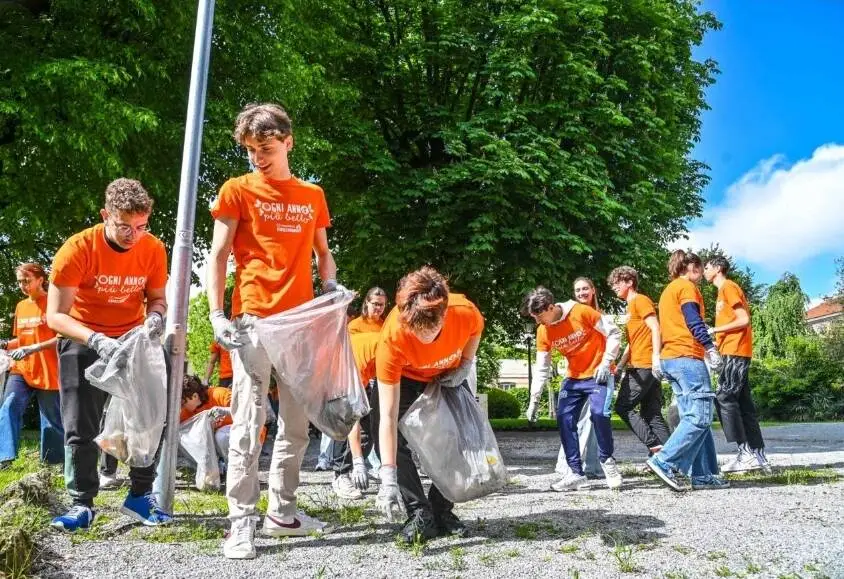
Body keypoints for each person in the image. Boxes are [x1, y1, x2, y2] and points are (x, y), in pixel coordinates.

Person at [207, 103, 339, 559]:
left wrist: (332, 287)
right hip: (255, 321)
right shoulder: (237, 190)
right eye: (250, 150)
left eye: (265, 148)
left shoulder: (312, 195)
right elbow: (219, 254)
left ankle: (283, 512)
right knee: (247, 423)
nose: (257, 158)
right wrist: (217, 313)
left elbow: (323, 252)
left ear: (288, 142)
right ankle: (240, 521)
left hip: (300, 323)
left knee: (297, 426)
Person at [46, 178, 171, 531]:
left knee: (150, 419)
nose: (134, 235)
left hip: (134, 341)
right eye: (124, 226)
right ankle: (81, 504)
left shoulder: (153, 249)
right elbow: (55, 315)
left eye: (141, 227)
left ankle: (140, 496)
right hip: (84, 340)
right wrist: (96, 340)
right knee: (80, 427)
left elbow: (157, 298)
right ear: (105, 215)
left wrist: (156, 317)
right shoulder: (78, 249)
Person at [373, 266, 483, 544]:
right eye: (416, 330)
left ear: (444, 314)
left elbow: (476, 331)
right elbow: (387, 415)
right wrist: (387, 477)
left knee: (462, 438)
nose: (423, 338)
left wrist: (466, 363)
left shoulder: (464, 311)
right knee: (385, 436)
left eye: (430, 330)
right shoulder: (392, 337)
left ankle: (441, 509)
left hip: (447, 375)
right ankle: (418, 513)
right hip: (407, 379)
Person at [522, 286, 623, 492]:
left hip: (598, 373)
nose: (537, 322)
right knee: (564, 419)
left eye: (539, 316)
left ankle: (607, 460)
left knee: (599, 414)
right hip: (574, 378)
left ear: (551, 307)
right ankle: (575, 473)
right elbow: (541, 367)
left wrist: (606, 363)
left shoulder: (580, 312)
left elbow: (614, 332)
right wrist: (534, 400)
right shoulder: (543, 331)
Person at [646, 250, 729, 491]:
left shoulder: (667, 292)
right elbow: (693, 320)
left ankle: (702, 475)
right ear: (690, 266)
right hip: (687, 359)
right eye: (700, 268)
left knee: (693, 419)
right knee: (700, 416)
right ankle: (664, 461)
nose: (702, 274)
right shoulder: (686, 288)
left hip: (671, 359)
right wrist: (710, 348)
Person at [703, 256, 771, 473]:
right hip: (733, 349)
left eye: (706, 267)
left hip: (736, 351)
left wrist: (714, 330)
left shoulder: (728, 287)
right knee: (744, 403)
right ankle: (759, 455)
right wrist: (717, 341)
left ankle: (745, 453)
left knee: (724, 397)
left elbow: (743, 320)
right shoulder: (722, 291)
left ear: (717, 268)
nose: (704, 271)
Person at [0, 263, 64, 469]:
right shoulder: (21, 306)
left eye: (26, 280)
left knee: (51, 418)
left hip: (48, 370)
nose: (22, 285)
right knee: (9, 405)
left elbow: (63, 337)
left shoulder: (53, 303)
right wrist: (5, 345)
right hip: (23, 368)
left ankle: (54, 462)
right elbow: (22, 338)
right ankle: (4, 457)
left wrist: (35, 347)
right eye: (20, 281)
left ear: (40, 280)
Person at [607, 266, 670, 456]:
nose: (614, 287)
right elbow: (633, 343)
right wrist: (619, 366)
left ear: (629, 282)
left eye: (617, 282)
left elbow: (655, 327)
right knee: (652, 413)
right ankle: (671, 458)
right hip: (642, 364)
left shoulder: (640, 300)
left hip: (644, 364)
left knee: (623, 406)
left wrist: (656, 358)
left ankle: (654, 447)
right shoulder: (630, 306)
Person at [330, 331, 379, 500]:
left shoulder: (385, 349)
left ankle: (353, 470)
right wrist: (359, 461)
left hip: (364, 381)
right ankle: (341, 474)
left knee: (372, 427)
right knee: (346, 427)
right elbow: (353, 422)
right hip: (346, 383)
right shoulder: (360, 360)